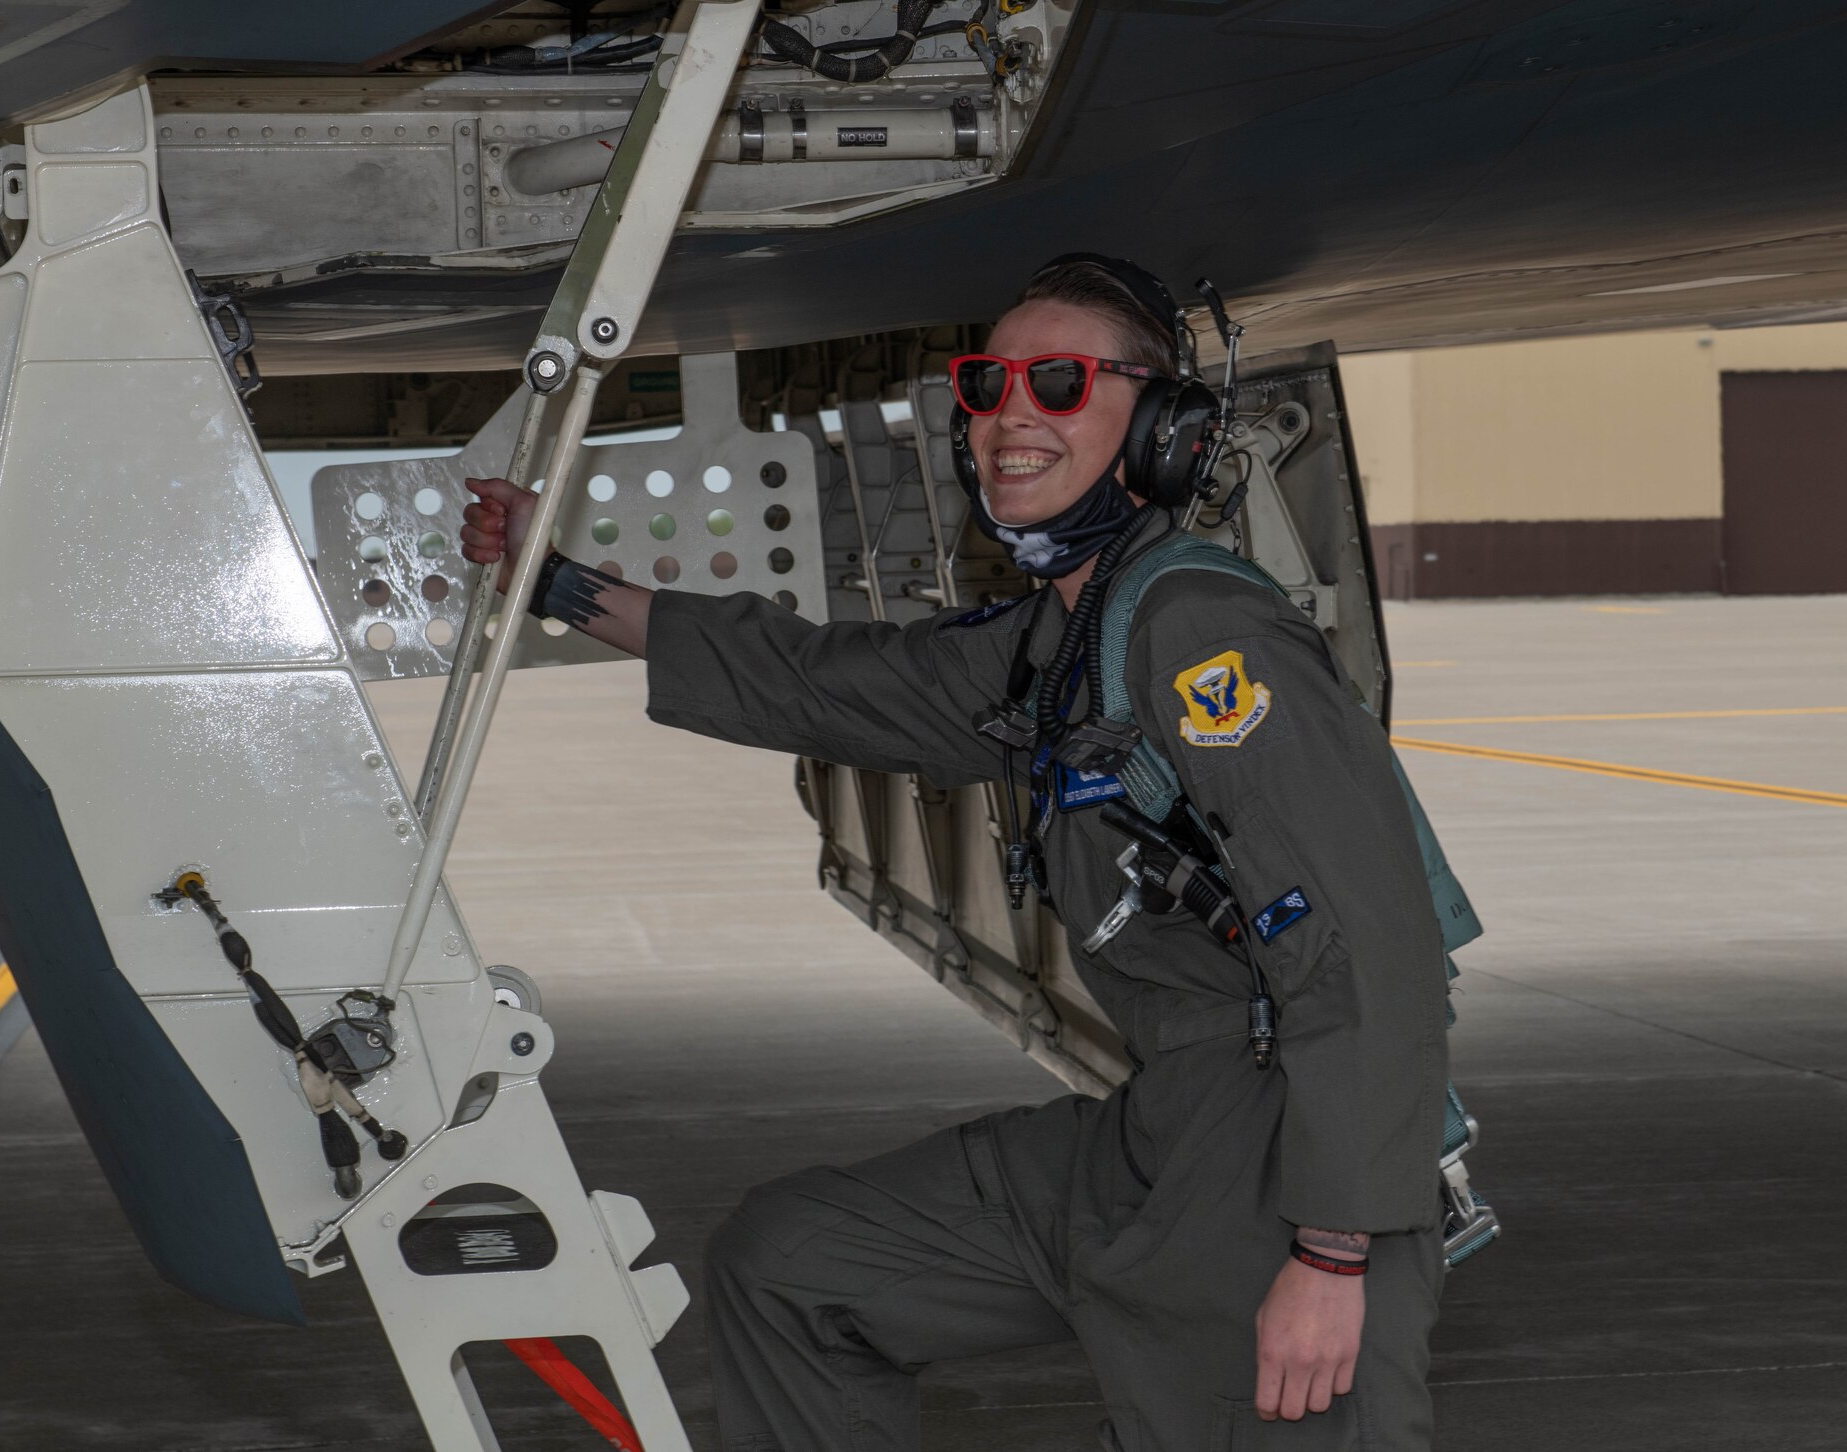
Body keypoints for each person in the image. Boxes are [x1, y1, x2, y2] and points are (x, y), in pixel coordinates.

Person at [461, 255, 1448, 1450]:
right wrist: (558, 583)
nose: (1008, 414)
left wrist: (1330, 1253)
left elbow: (1373, 949)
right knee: (795, 1265)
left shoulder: (1201, 632)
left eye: (1060, 380)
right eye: (986, 384)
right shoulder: (1063, 638)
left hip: (1279, 1173)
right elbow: (831, 683)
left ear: (1168, 430)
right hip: (1159, 1134)